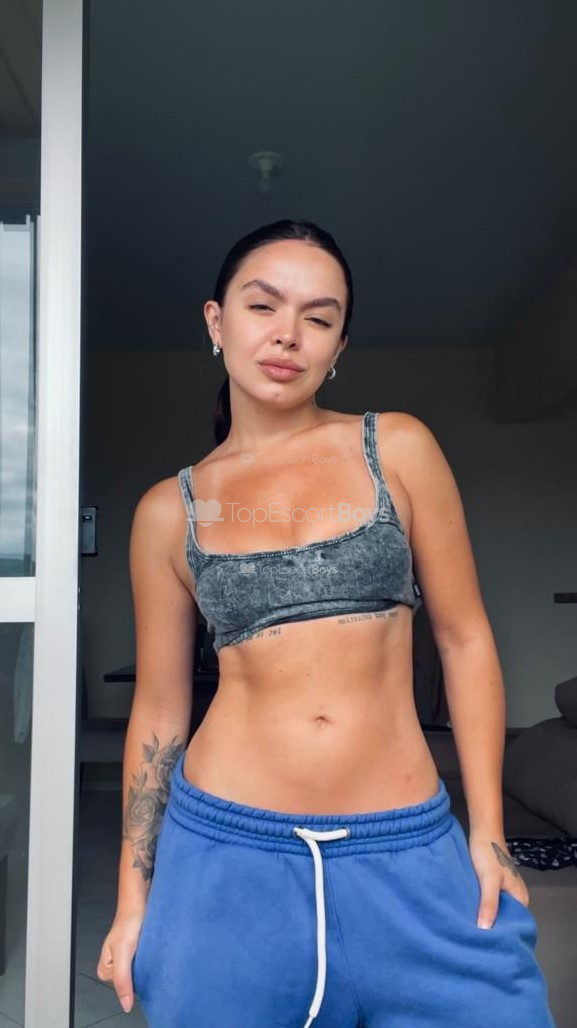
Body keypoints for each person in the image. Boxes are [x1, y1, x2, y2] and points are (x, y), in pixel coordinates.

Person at [96, 219, 556, 1027]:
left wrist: (487, 834)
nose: (287, 334)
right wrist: (133, 900)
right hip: (224, 860)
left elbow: (464, 639)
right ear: (216, 322)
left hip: (404, 851)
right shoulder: (169, 511)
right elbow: (161, 710)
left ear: (339, 346)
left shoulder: (397, 448)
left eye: (318, 317)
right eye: (262, 306)